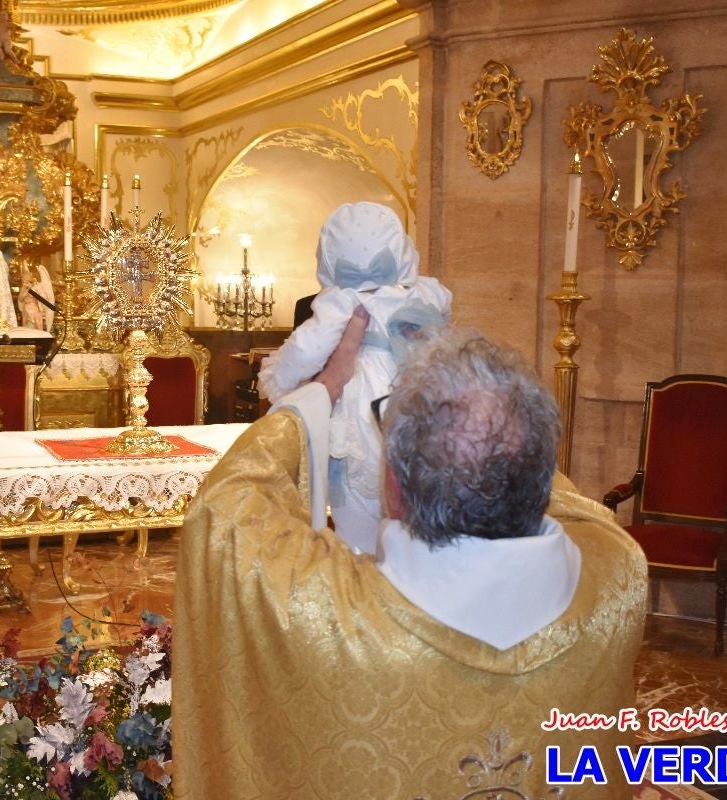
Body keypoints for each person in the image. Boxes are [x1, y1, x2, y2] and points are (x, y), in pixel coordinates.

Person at [174, 323, 648, 800]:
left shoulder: (317, 614)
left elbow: (226, 509)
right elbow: (561, 498)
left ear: (394, 487)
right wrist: (494, 418)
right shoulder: (617, 576)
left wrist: (322, 392)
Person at [258, 201, 452, 553]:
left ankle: (363, 578)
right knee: (417, 516)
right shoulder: (425, 293)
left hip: (362, 415)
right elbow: (443, 310)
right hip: (417, 406)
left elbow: (306, 349)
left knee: (357, 514)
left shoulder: (342, 301)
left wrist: (277, 377)